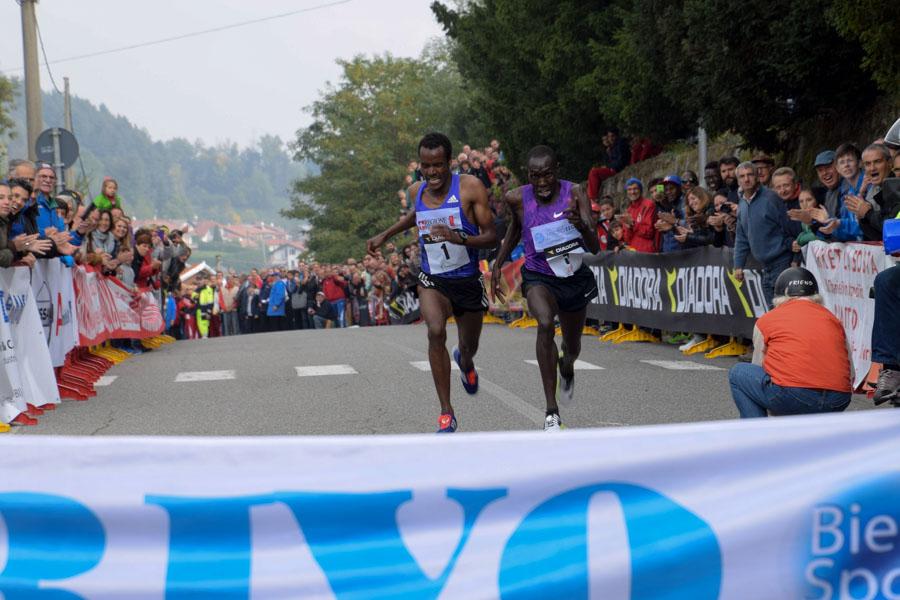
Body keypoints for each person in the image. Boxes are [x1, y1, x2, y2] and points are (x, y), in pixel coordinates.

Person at [367, 132, 497, 433]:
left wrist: (459, 236)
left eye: (438, 165)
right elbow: (417, 214)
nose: (432, 172)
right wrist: (385, 234)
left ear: (449, 163)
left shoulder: (470, 188)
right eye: (426, 166)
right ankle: (446, 412)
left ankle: (465, 363)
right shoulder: (417, 190)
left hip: (466, 279)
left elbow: (492, 235)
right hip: (432, 279)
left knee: (469, 346)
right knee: (435, 331)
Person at [492, 145, 600, 432]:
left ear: (557, 171)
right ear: (528, 175)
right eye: (534, 176)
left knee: (572, 346)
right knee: (544, 324)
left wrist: (583, 226)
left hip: (573, 277)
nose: (541, 183)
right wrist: (497, 264)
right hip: (539, 275)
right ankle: (551, 411)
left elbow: (595, 247)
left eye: (547, 175)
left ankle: (567, 365)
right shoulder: (516, 197)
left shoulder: (575, 193)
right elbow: (514, 230)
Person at [728, 268, 853, 417]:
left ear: (781, 295)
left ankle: (757, 435)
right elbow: (850, 372)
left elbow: (759, 366)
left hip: (794, 394)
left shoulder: (767, 320)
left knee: (738, 373)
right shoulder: (833, 320)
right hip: (839, 399)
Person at [732, 161, 794, 307]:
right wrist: (738, 265)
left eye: (750, 175)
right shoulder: (742, 204)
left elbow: (789, 228)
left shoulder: (771, 198)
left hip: (782, 262)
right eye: (742, 176)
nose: (746, 179)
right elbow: (741, 237)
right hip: (765, 267)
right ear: (738, 181)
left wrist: (794, 257)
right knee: (773, 313)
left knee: (784, 310)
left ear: (757, 177)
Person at [619, 178, 658, 252]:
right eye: (629, 189)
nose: (632, 192)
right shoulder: (628, 210)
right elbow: (627, 239)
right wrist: (628, 227)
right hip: (633, 252)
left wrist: (632, 224)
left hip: (647, 252)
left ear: (640, 190)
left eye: (635, 189)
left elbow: (649, 232)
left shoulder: (649, 205)